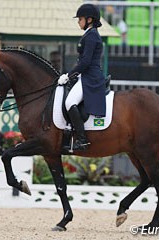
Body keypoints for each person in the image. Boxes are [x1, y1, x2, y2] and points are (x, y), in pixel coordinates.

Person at [58, 4, 106, 150]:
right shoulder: (89, 34)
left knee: (69, 102)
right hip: (85, 75)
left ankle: (82, 139)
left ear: (89, 19)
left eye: (80, 19)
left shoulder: (91, 36)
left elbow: (85, 62)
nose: (79, 21)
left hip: (90, 77)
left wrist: (69, 75)